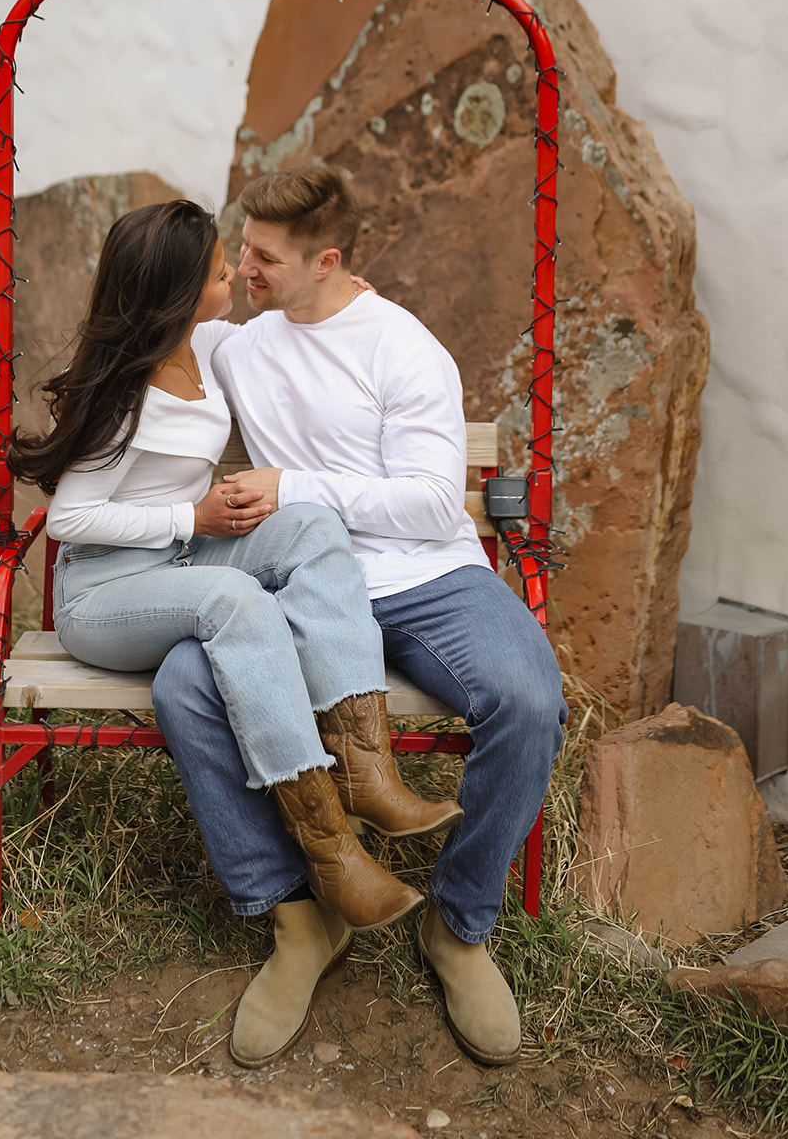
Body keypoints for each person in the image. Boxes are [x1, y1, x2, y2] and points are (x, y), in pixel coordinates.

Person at [150, 165, 567, 1070]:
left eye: (263, 257)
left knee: (529, 700)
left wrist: (290, 485)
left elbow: (427, 505)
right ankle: (299, 920)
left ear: (326, 260)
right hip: (298, 583)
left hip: (423, 579)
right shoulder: (239, 347)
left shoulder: (402, 348)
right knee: (185, 683)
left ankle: (458, 927)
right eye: (243, 251)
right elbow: (145, 323)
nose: (246, 271)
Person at [6, 200, 462, 939]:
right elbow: (70, 521)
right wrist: (193, 518)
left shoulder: (203, 346)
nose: (238, 275)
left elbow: (290, 328)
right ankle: (331, 851)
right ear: (185, 294)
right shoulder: (125, 394)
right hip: (104, 594)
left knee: (310, 524)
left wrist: (346, 303)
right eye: (223, 271)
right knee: (235, 597)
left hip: (178, 558)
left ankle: (362, 765)